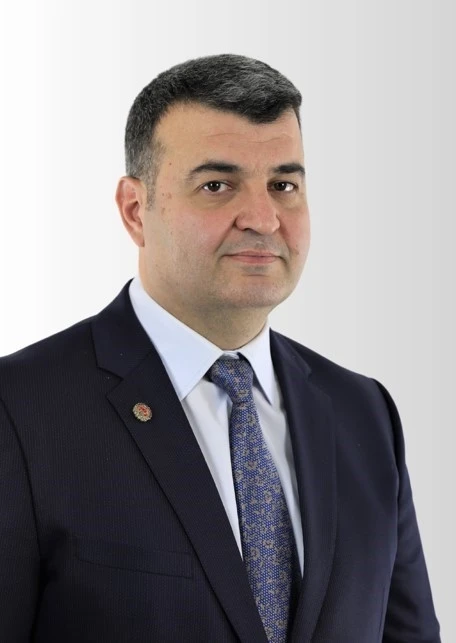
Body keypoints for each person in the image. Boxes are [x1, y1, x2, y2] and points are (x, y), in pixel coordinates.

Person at [0, 54, 440, 643]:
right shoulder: (20, 410)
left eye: (283, 185)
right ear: (135, 211)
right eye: (216, 185)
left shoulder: (363, 413)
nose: (263, 218)